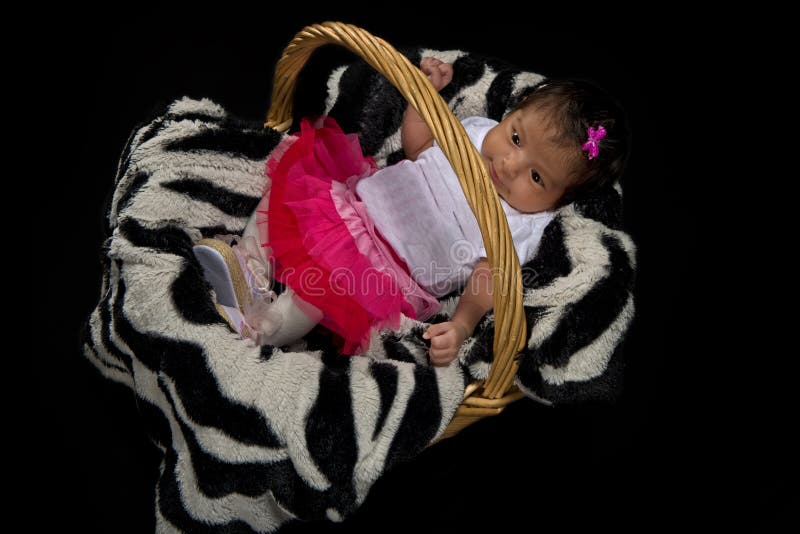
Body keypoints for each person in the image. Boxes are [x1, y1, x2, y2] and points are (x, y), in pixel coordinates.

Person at [195, 57, 629, 365]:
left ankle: (261, 327)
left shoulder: (524, 225)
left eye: (537, 179)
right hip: (351, 204)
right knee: (288, 192)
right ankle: (249, 265)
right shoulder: (477, 133)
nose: (509, 166)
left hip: (383, 269)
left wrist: (460, 326)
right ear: (510, 115)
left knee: (320, 293)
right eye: (516, 138)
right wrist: (424, 101)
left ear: (558, 201)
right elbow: (419, 147)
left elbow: (487, 280)